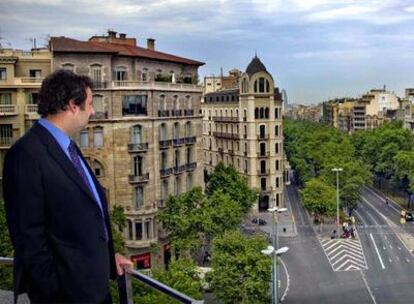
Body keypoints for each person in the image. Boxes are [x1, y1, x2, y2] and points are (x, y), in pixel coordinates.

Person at [3, 70, 133, 304]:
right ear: (73, 105)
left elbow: (85, 216)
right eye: (90, 104)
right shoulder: (25, 155)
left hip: (94, 287)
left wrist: (105, 259)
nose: (93, 111)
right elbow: (29, 239)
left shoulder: (67, 147)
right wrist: (55, 293)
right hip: (68, 295)